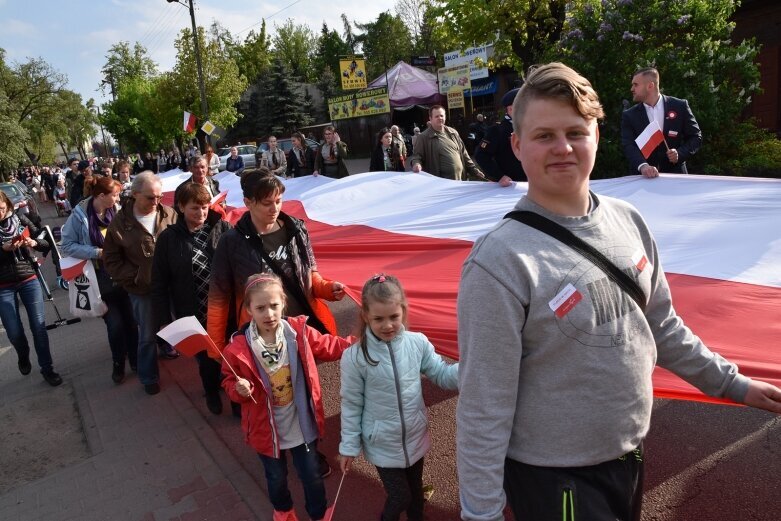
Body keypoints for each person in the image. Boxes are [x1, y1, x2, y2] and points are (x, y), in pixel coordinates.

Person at [455, 62, 781, 521]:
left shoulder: (629, 220)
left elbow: (662, 326)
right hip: (554, 477)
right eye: (544, 135)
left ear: (596, 135)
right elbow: (483, 407)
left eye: (575, 131)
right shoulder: (498, 261)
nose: (563, 147)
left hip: (628, 455)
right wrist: (480, 514)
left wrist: (732, 383)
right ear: (517, 144)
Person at [221, 273, 354, 521]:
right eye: (260, 308)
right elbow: (229, 382)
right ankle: (283, 511)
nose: (269, 313)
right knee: (276, 477)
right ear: (249, 309)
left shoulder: (298, 332)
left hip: (300, 424)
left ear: (283, 303)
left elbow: (330, 345)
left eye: (274, 305)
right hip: (266, 430)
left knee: (311, 473)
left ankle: (318, 512)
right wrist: (238, 389)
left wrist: (358, 345)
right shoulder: (238, 349)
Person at [338, 274, 458, 521]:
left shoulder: (418, 343)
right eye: (378, 319)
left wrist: (470, 368)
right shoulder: (355, 357)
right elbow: (351, 404)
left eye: (394, 317)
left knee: (415, 495)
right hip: (382, 441)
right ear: (365, 317)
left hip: (414, 435)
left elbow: (443, 375)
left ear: (403, 310)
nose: (388, 325)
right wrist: (349, 446)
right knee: (400, 496)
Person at [151, 183, 231, 414]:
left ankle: (237, 402)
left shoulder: (222, 228)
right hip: (193, 311)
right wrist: (164, 318)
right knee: (206, 360)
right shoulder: (168, 239)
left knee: (232, 354)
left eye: (205, 207)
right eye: (195, 208)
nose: (202, 213)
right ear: (181, 207)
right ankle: (212, 392)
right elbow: (159, 282)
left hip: (225, 308)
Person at [103, 171, 178, 395]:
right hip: (142, 290)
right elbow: (111, 260)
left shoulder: (169, 213)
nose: (156, 202)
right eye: (150, 198)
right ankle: (148, 377)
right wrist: (135, 276)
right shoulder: (119, 223)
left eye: (159, 197)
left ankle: (172, 348)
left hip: (171, 285)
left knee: (179, 324)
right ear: (135, 195)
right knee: (146, 335)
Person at [61, 176, 138, 384]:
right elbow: (66, 246)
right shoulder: (79, 217)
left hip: (124, 275)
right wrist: (97, 252)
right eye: (115, 195)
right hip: (100, 280)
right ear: (101, 196)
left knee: (132, 322)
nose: (118, 198)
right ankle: (118, 364)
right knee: (115, 325)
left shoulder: (118, 211)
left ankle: (136, 361)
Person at [0, 191, 62, 386]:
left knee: (38, 326)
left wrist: (33, 242)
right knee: (14, 332)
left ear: (7, 205)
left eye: (1, 209)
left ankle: (47, 368)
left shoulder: (20, 218)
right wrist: (3, 249)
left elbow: (45, 243)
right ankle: (23, 353)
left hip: (28, 277)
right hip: (3, 286)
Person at [621, 67, 702, 178]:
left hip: (676, 177)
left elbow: (696, 137)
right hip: (642, 180)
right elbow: (628, 145)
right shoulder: (629, 115)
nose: (632, 89)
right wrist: (643, 166)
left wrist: (680, 153)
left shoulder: (680, 106)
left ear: (650, 86)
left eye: (636, 85)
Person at [409, 106, 485, 181]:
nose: (440, 118)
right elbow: (417, 156)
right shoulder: (423, 137)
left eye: (442, 115)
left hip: (460, 180)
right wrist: (416, 164)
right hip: (440, 184)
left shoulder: (453, 132)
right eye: (436, 116)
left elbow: (464, 153)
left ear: (445, 116)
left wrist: (474, 169)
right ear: (430, 118)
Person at [474, 88, 527, 186]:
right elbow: (481, 156)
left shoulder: (531, 127)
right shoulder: (497, 130)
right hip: (510, 187)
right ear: (511, 109)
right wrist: (499, 176)